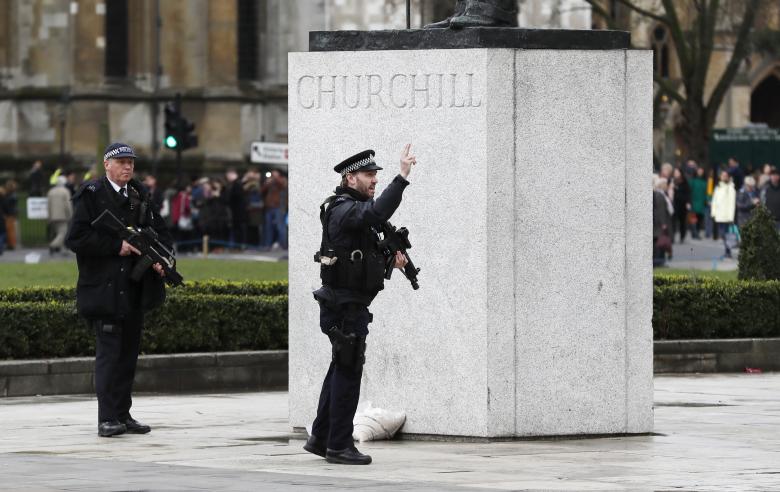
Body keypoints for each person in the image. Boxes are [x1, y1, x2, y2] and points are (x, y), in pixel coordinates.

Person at [304, 145, 416, 465]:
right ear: (350, 178)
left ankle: (321, 437)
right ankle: (339, 445)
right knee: (349, 373)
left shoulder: (354, 209)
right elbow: (377, 212)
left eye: (376, 176)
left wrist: (388, 260)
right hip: (344, 307)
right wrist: (402, 177)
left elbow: (358, 256)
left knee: (341, 368)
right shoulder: (343, 208)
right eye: (369, 175)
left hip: (348, 304)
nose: (374, 181)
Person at [65, 142, 171, 437]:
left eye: (131, 163)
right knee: (109, 356)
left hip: (134, 288)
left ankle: (123, 414)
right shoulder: (92, 195)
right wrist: (116, 246)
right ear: (107, 164)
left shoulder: (139, 195)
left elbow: (161, 233)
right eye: (121, 162)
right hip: (105, 288)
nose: (127, 167)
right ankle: (107, 417)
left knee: (127, 355)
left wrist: (161, 260)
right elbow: (77, 239)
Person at [710, 170, 737, 258]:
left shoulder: (730, 188)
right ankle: (727, 251)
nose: (724, 177)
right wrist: (713, 213)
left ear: (728, 177)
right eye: (722, 175)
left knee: (726, 235)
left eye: (725, 175)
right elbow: (714, 200)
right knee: (723, 235)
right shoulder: (718, 187)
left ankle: (728, 252)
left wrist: (731, 217)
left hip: (726, 216)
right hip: (719, 215)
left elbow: (732, 203)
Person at [260, 169, 288, 250]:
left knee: (280, 227)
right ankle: (268, 245)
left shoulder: (282, 180)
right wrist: (267, 183)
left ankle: (283, 245)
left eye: (274, 173)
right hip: (269, 207)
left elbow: (282, 185)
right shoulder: (270, 181)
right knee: (268, 227)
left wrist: (276, 178)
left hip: (279, 207)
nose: (272, 174)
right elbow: (262, 191)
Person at [46, 176, 73, 255]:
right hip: (62, 215)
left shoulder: (51, 191)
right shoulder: (65, 191)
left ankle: (60, 249)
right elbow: (68, 205)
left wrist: (49, 216)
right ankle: (52, 245)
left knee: (58, 233)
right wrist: (70, 215)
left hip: (53, 216)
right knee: (62, 233)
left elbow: (48, 205)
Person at [653, 177, 674, 266]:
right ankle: (659, 261)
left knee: (661, 243)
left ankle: (660, 261)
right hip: (661, 224)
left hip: (661, 223)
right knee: (660, 243)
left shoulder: (662, 194)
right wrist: (663, 224)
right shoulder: (660, 195)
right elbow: (660, 211)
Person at [671, 168, 690, 243]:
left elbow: (688, 192)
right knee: (673, 221)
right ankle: (672, 236)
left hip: (682, 204)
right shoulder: (672, 180)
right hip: (674, 203)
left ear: (680, 173)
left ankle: (682, 236)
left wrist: (688, 202)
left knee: (682, 221)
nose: (675, 173)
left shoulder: (684, 181)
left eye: (677, 172)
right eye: (674, 172)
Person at [689, 166, 707, 239]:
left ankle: (697, 232)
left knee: (700, 219)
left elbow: (707, 193)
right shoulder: (692, 181)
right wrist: (689, 201)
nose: (700, 173)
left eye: (701, 171)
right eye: (699, 171)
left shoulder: (705, 182)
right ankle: (694, 232)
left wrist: (707, 200)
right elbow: (689, 191)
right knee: (693, 218)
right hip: (694, 201)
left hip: (702, 202)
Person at [3, 180, 18, 250]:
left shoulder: (10, 196)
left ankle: (11, 244)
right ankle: (11, 244)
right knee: (10, 231)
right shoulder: (12, 195)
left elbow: (7, 205)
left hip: (9, 215)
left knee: (10, 231)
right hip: (10, 214)